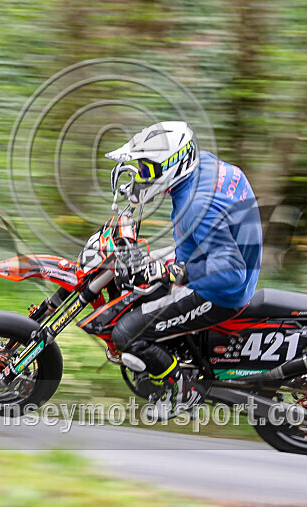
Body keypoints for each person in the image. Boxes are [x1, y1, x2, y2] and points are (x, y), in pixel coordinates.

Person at [106, 121, 262, 419]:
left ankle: (184, 390)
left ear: (172, 167)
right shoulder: (208, 167)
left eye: (146, 170)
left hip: (221, 290)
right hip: (226, 255)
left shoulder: (194, 207)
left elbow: (231, 272)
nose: (140, 176)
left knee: (127, 334)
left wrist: (171, 271)